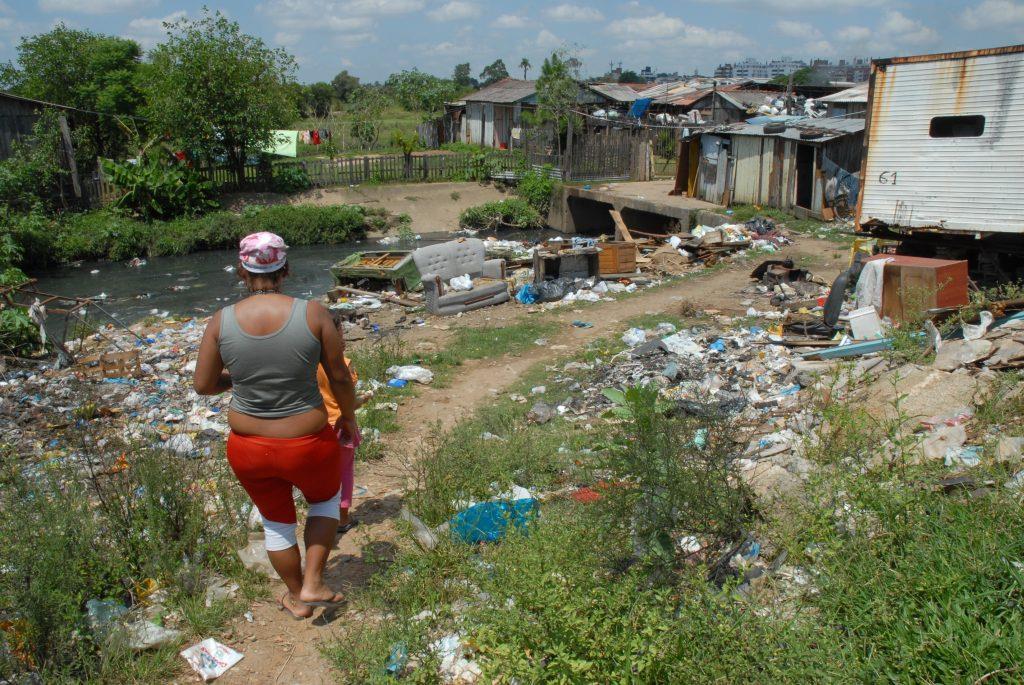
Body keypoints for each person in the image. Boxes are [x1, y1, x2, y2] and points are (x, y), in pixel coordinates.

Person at [193, 232, 357, 621]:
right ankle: (315, 580)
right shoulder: (313, 313)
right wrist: (347, 416)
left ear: (241, 271)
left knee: (276, 521)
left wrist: (240, 380)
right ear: (285, 269)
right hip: (306, 442)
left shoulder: (221, 321)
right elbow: (339, 378)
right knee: (324, 502)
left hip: (248, 447)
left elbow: (203, 385)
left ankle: (297, 596)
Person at [315, 311, 365, 534]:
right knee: (344, 472)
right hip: (341, 425)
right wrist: (363, 400)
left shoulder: (308, 365)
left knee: (323, 475)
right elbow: (348, 401)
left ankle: (321, 518)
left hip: (317, 427)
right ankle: (342, 519)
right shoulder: (343, 365)